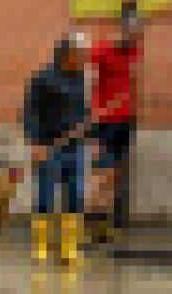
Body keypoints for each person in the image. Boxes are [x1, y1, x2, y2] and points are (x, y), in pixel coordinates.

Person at [23, 32, 91, 266]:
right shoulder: (43, 78)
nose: (84, 58)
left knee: (75, 197)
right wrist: (36, 143)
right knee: (45, 197)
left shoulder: (84, 80)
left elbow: (86, 111)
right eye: (81, 54)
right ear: (67, 53)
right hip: (49, 147)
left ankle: (69, 249)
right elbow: (30, 112)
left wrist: (87, 126)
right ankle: (41, 248)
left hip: (76, 148)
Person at [88, 13, 144, 243]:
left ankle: (104, 227)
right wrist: (92, 116)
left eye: (138, 37)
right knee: (102, 174)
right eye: (133, 36)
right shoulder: (100, 50)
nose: (136, 41)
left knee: (115, 175)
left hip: (125, 121)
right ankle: (90, 223)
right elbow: (89, 84)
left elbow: (132, 83)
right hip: (104, 121)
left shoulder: (134, 52)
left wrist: (133, 111)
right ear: (123, 31)